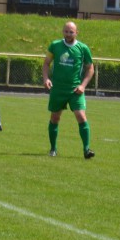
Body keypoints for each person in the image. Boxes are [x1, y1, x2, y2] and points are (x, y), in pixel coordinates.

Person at [42, 21, 95, 159]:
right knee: (55, 118)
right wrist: (46, 78)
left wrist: (83, 85)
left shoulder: (83, 48)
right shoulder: (55, 45)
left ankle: (86, 150)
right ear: (62, 32)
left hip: (75, 90)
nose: (68, 34)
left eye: (71, 32)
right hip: (58, 89)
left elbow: (90, 68)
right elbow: (46, 63)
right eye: (66, 31)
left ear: (76, 33)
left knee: (81, 116)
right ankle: (53, 149)